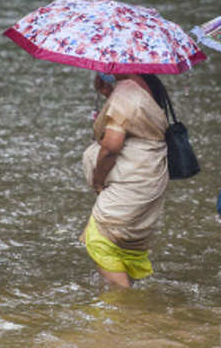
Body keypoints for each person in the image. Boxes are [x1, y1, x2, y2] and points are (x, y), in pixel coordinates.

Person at [80, 72, 170, 288]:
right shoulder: (142, 86)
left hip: (132, 182)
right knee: (124, 246)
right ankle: (132, 309)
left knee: (98, 239)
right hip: (148, 178)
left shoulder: (126, 93)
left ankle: (125, 305)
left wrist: (98, 179)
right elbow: (136, 124)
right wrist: (108, 93)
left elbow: (111, 146)